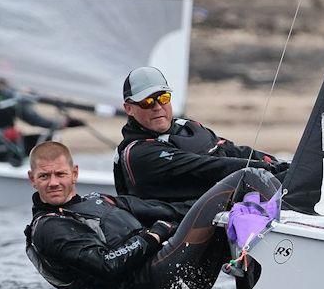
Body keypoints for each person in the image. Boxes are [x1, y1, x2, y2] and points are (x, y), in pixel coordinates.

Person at [25, 141, 277, 289]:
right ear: (32, 179)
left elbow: (167, 211)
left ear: (74, 173)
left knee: (232, 208)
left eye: (60, 174)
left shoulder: (98, 200)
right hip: (150, 283)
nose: (53, 183)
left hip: (174, 275)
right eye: (44, 176)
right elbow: (106, 265)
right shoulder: (49, 228)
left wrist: (207, 204)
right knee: (249, 178)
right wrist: (154, 234)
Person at [114, 66, 289, 204]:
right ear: (129, 108)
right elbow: (209, 167)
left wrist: (283, 165)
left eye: (163, 98)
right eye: (147, 102)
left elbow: (232, 150)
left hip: (218, 215)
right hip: (176, 230)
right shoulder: (138, 153)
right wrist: (270, 170)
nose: (158, 107)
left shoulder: (189, 127)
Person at [0, 79, 84, 166]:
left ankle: (50, 176)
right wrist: (3, 134)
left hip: (12, 142)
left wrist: (63, 123)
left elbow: (33, 119)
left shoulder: (5, 96)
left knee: (51, 140)